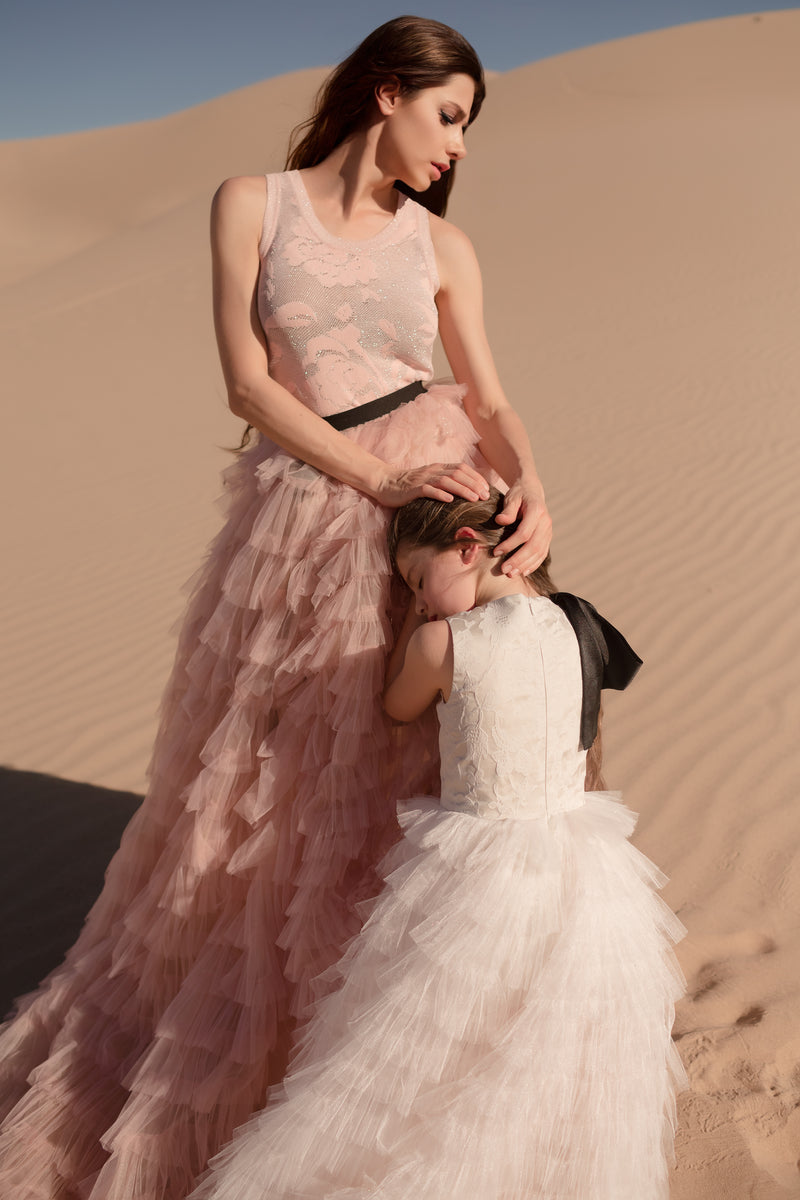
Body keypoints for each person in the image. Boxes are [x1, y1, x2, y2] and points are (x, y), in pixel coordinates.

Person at [0, 16, 552, 1200]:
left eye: (465, 128)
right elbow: (248, 382)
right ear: (388, 94)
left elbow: (490, 399)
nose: (454, 148)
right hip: (311, 505)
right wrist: (378, 478)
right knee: (274, 773)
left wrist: (534, 485)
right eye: (446, 116)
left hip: (433, 514)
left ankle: (396, 1058)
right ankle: (273, 1061)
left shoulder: (443, 248)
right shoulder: (253, 202)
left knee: (404, 765)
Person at [186, 488, 686, 1200]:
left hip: (477, 864)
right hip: (582, 855)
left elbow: (397, 707)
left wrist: (403, 635)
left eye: (419, 580)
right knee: (555, 1034)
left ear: (468, 545)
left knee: (431, 1039)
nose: (419, 600)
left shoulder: (439, 641)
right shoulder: (577, 623)